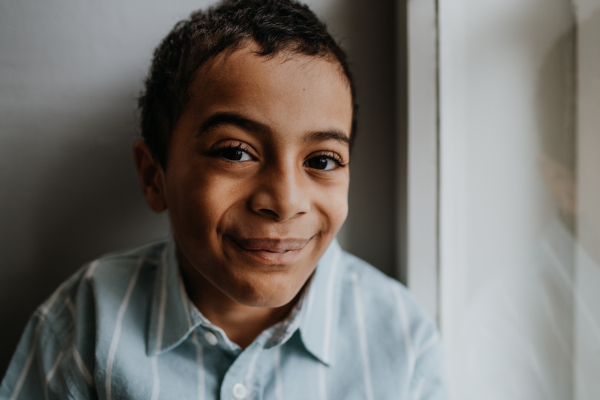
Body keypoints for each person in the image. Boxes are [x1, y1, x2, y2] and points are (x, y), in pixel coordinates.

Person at [0, 1, 447, 399]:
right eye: (235, 152)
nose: (286, 201)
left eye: (323, 160)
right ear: (154, 177)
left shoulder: (400, 338)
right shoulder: (85, 323)